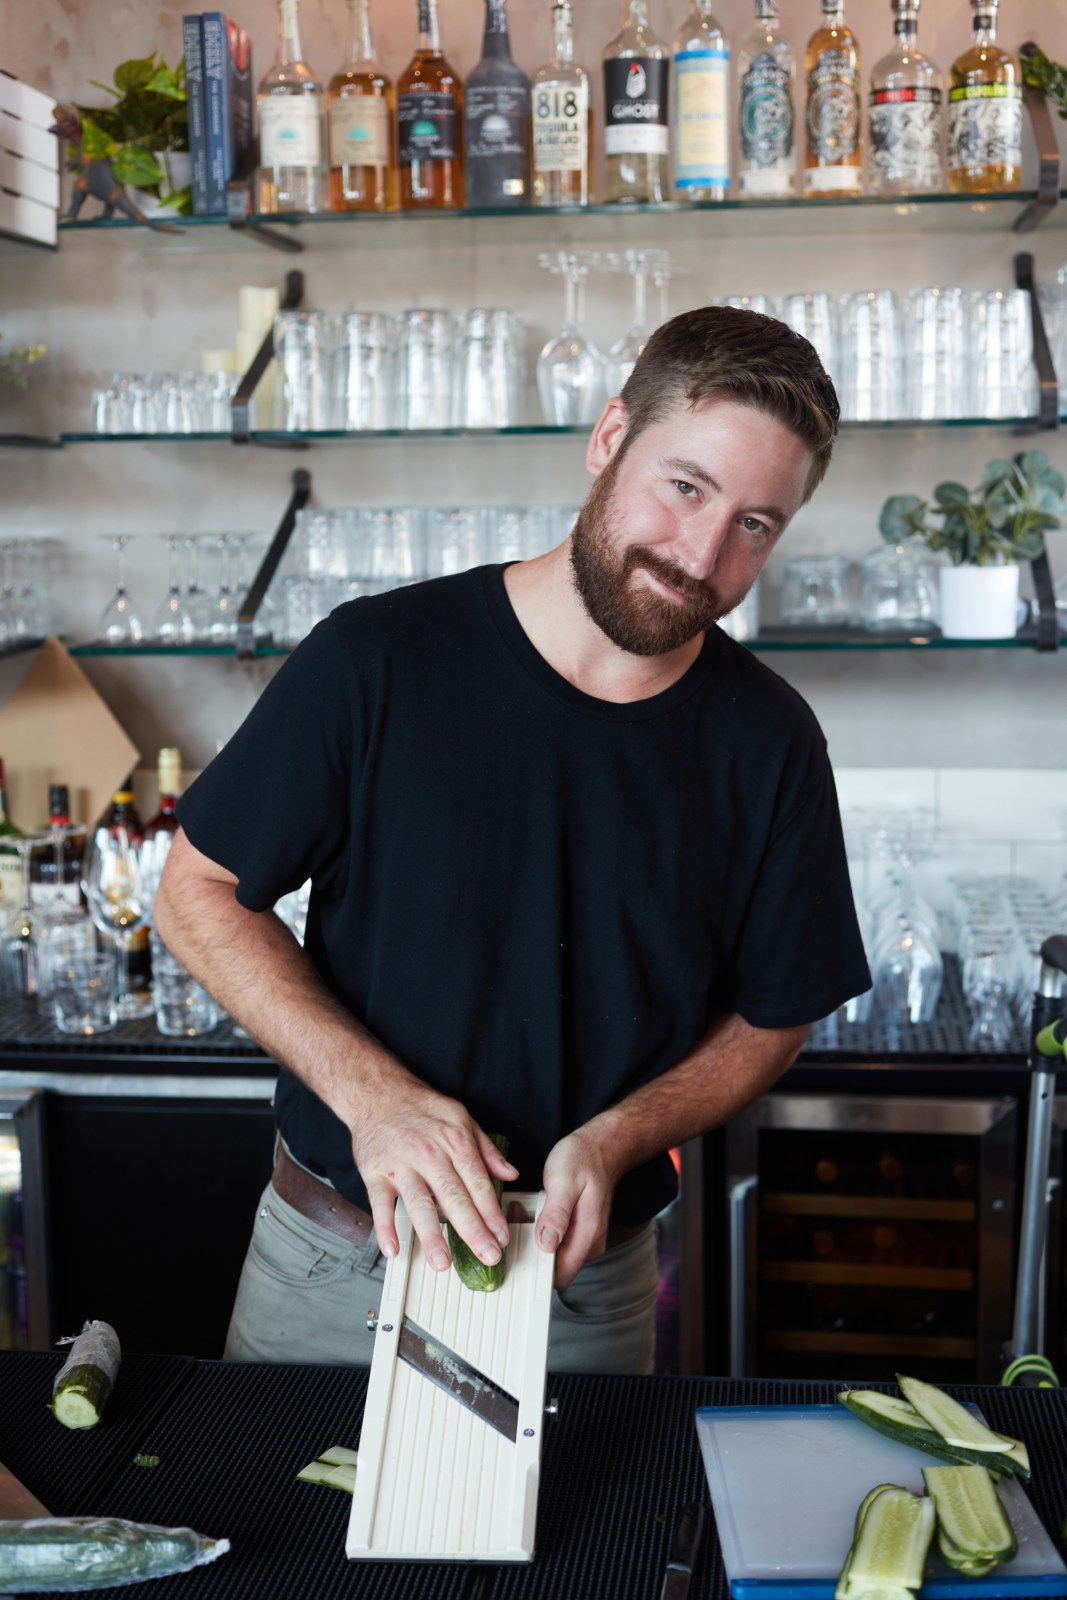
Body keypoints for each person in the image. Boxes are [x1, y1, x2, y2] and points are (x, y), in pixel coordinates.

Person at [154, 306, 871, 1374]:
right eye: (685, 486)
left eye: (755, 524)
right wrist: (373, 1098)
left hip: (581, 1290)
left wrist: (620, 1135)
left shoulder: (768, 742)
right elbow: (196, 892)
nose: (701, 554)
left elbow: (774, 1017)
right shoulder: (376, 660)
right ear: (609, 436)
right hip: (335, 1267)